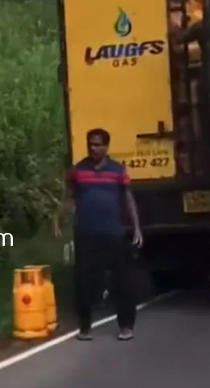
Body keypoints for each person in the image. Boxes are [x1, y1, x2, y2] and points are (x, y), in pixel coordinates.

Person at [53, 128, 143, 341]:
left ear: (106, 146)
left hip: (114, 233)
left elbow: (128, 199)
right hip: (86, 234)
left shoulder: (118, 170)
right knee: (84, 282)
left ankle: (126, 326)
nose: (93, 148)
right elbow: (69, 197)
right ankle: (85, 328)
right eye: (90, 144)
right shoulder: (78, 170)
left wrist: (136, 227)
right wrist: (58, 220)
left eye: (98, 144)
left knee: (122, 282)